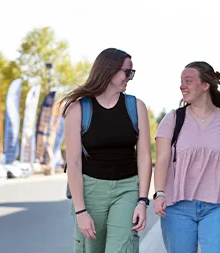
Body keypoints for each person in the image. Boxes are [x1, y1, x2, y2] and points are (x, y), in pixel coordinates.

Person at [61, 48, 152, 253]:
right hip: (91, 190)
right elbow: (74, 163)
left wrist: (142, 201)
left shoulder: (136, 107)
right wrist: (80, 211)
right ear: (109, 71)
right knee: (91, 248)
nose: (130, 78)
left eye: (131, 73)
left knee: (121, 248)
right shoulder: (78, 110)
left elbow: (145, 155)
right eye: (127, 72)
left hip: (127, 188)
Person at [153, 61, 220, 253]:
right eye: (181, 81)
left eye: (188, 81)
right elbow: (162, 159)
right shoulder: (173, 119)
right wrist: (160, 193)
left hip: (217, 206)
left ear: (205, 86)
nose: (182, 86)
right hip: (177, 206)